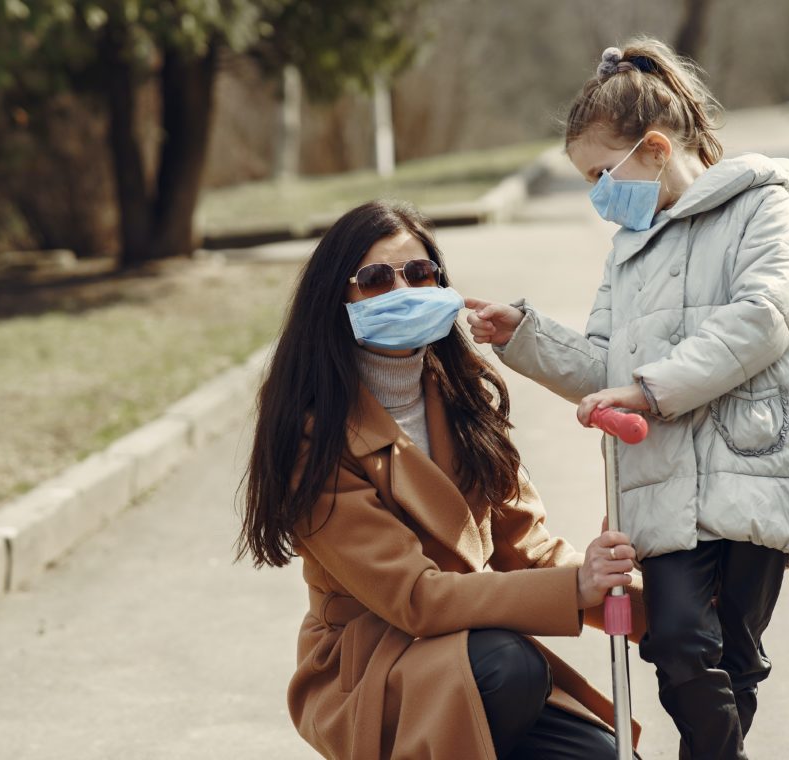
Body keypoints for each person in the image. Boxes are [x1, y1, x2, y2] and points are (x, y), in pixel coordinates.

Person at [466, 37, 789, 760]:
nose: (598, 193)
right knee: (674, 641)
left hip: (754, 466)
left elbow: (762, 319)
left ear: (658, 149)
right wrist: (527, 338)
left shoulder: (763, 209)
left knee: (732, 656)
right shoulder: (628, 250)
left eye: (603, 172)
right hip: (662, 480)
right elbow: (608, 365)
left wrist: (647, 390)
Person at [236, 199, 648, 760]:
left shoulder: (463, 399)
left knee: (602, 753)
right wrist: (574, 591)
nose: (402, 290)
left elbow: (527, 549)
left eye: (419, 273)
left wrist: (634, 599)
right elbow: (415, 598)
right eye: (376, 279)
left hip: (474, 647)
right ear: (339, 299)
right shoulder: (315, 434)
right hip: (375, 663)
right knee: (511, 669)